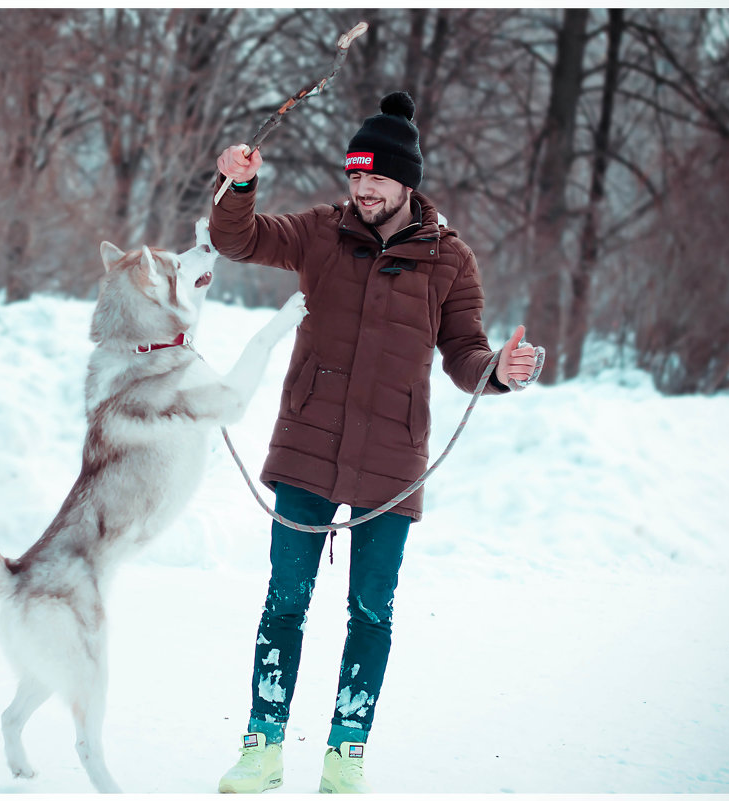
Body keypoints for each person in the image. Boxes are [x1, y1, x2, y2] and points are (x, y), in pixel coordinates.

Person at [209, 91, 541, 794]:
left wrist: (498, 373)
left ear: (406, 181)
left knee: (370, 610)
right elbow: (237, 239)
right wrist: (237, 187)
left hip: (392, 457)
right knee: (286, 600)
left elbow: (464, 352)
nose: (361, 189)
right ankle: (262, 746)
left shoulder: (450, 260)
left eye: (375, 178)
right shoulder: (320, 232)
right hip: (307, 444)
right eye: (354, 176)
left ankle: (344, 755)